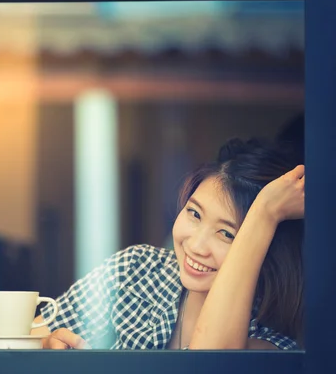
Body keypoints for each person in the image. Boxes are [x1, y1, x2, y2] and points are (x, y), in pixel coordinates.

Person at [32, 137, 304, 350]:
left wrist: (265, 214)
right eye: (194, 213)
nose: (196, 245)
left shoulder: (270, 331)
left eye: (227, 234)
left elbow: (212, 363)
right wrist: (45, 343)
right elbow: (27, 335)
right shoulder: (137, 270)